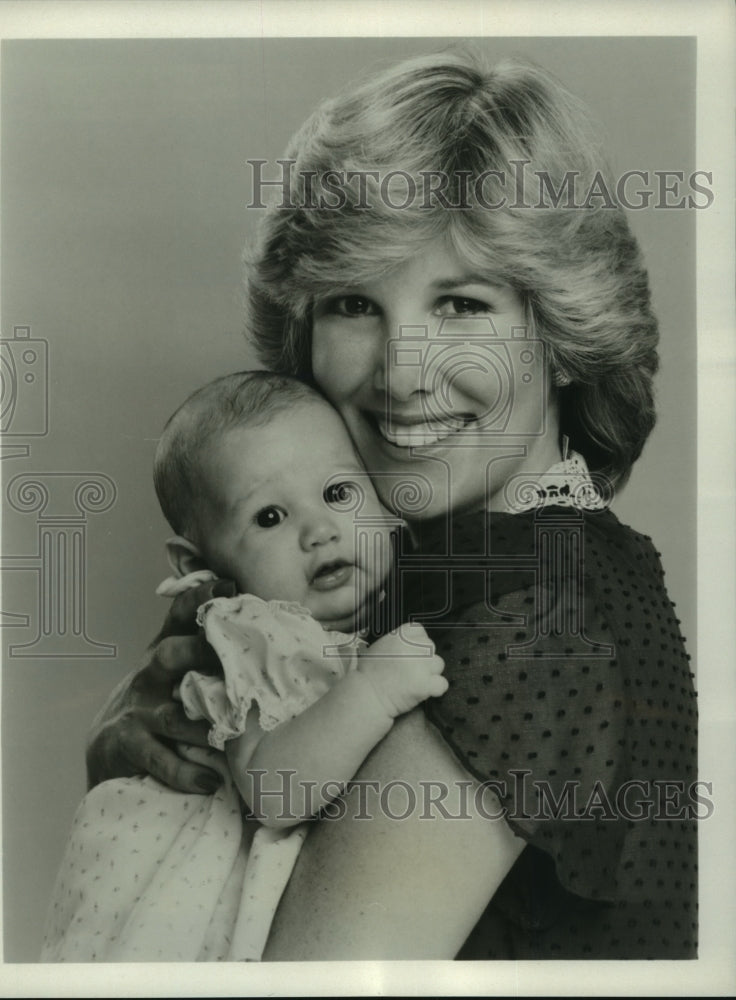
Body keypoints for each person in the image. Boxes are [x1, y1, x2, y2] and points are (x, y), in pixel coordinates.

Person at [84, 47, 698, 959]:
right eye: (352, 304)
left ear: (562, 332)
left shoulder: (534, 617)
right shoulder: (428, 577)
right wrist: (150, 761)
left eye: (460, 305)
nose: (403, 372)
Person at [40, 371, 447, 962]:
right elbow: (274, 792)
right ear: (198, 562)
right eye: (269, 517)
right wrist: (374, 691)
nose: (319, 531)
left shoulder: (383, 609)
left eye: (338, 493)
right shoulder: (255, 634)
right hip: (202, 877)